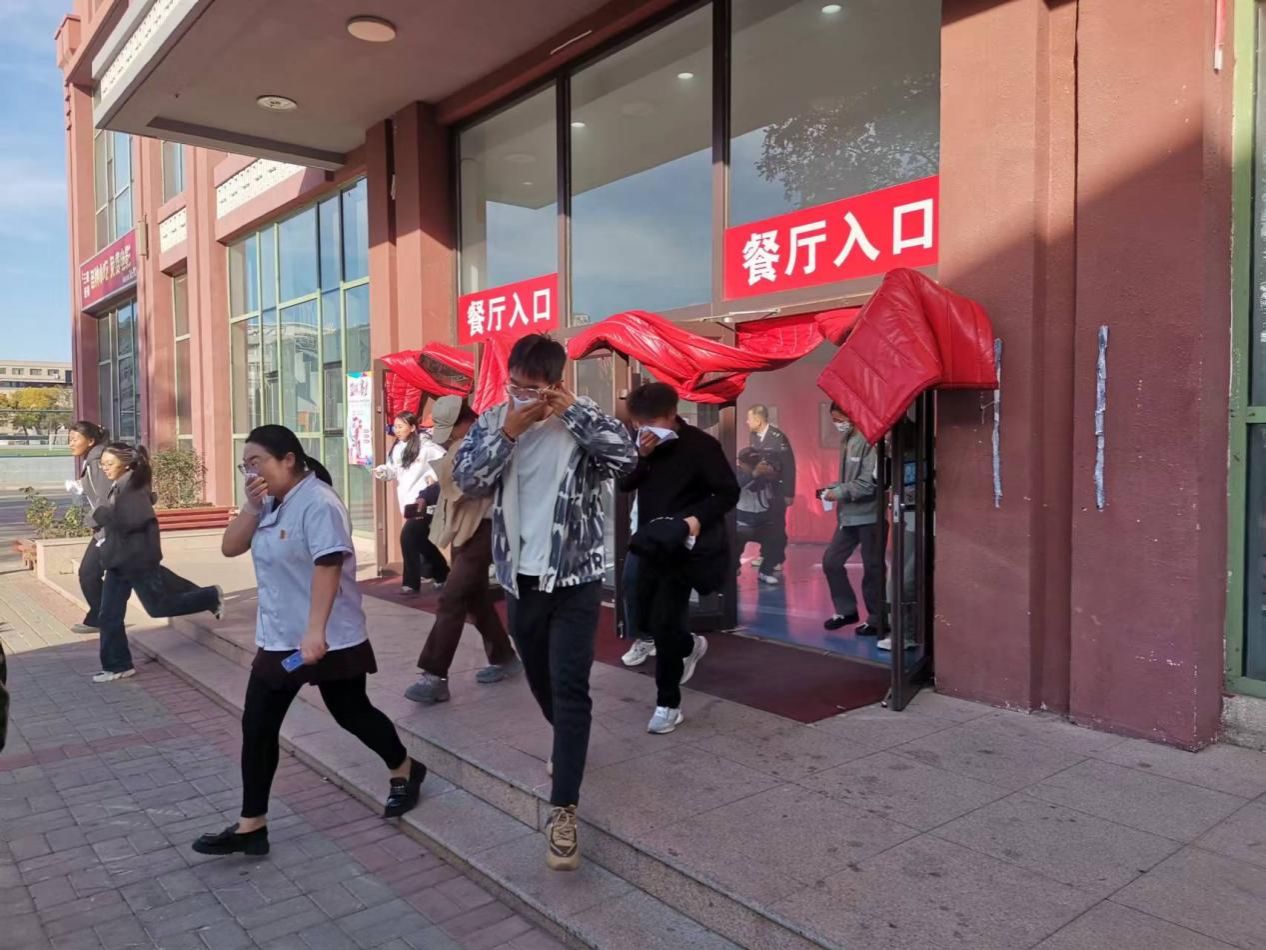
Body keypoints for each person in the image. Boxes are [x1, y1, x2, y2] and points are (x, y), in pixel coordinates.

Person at [193, 425, 426, 858]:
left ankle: (404, 767)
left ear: (288, 459)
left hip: (328, 637)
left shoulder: (319, 503)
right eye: (245, 466)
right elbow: (229, 547)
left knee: (351, 712)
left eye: (257, 462)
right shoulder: (269, 504)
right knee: (258, 724)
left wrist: (315, 631)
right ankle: (252, 825)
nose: (251, 472)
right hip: (281, 640)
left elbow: (328, 565)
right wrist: (251, 507)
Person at [453, 334, 636, 872]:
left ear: (556, 383)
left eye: (533, 389)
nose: (522, 396)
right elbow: (467, 480)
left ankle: (563, 811)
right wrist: (509, 430)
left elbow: (626, 461)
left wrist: (571, 412)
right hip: (521, 579)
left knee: (571, 685)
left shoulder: (583, 419)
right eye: (515, 385)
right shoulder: (495, 421)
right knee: (539, 677)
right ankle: (568, 743)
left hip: (577, 578)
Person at [619, 383, 738, 734]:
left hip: (685, 546)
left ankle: (667, 704)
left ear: (672, 414)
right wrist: (641, 457)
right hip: (650, 542)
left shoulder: (701, 446)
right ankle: (690, 644)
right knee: (642, 615)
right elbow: (625, 485)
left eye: (652, 423)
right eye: (638, 424)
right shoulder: (642, 445)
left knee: (666, 621)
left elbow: (728, 492)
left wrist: (696, 519)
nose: (644, 430)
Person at [404, 396, 522, 704]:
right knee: (474, 597)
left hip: (487, 525)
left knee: (453, 597)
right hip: (464, 526)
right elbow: (452, 481)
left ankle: (434, 674)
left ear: (465, 421)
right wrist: (426, 494)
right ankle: (504, 656)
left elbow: (468, 480)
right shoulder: (469, 441)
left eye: (451, 430)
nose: (449, 438)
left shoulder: (492, 437)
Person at [91, 443, 224, 683]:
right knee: (109, 615)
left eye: (109, 464)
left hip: (136, 561)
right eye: (103, 464)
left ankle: (210, 596)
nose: (105, 468)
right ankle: (117, 665)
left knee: (157, 607)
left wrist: (101, 515)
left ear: (126, 464)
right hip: (119, 561)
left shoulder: (132, 489)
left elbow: (132, 521)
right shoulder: (122, 485)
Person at [819, 405, 884, 636]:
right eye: (834, 420)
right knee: (831, 562)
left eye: (840, 419)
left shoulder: (871, 439)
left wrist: (839, 492)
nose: (838, 424)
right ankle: (846, 610)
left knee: (873, 568)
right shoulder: (847, 439)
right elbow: (851, 479)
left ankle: (877, 619)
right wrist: (834, 488)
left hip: (870, 516)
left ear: (852, 414)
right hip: (847, 516)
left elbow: (869, 484)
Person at [375, 412, 447, 592]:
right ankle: (443, 573)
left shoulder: (427, 446)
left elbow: (446, 462)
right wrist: (383, 472)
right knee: (421, 540)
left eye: (401, 426)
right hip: (407, 501)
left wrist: (433, 477)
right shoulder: (397, 448)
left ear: (413, 427)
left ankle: (410, 583)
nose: (397, 430)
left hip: (424, 501)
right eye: (395, 426)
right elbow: (393, 470)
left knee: (407, 537)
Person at [66, 421, 111, 635]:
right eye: (69, 439)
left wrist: (91, 521)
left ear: (91, 441)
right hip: (107, 529)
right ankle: (100, 617)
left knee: (88, 573)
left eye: (75, 439)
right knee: (89, 573)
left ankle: (101, 617)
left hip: (113, 530)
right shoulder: (93, 460)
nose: (71, 443)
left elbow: (107, 499)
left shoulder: (97, 462)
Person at [745, 405, 796, 582]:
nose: (747, 422)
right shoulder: (753, 435)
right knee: (764, 522)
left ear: (758, 420)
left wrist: (789, 492)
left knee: (777, 523)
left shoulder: (778, 437)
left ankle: (777, 558)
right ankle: (765, 554)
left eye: (749, 419)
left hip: (777, 488)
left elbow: (789, 466)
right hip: (761, 488)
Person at [733, 447, 783, 580]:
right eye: (750, 464)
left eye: (755, 463)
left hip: (763, 520)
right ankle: (734, 567)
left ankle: (765, 571)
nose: (753, 466)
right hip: (742, 521)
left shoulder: (763, 473)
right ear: (741, 463)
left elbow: (776, 487)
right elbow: (738, 484)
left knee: (777, 539)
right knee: (734, 543)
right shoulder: (736, 473)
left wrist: (772, 473)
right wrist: (754, 473)